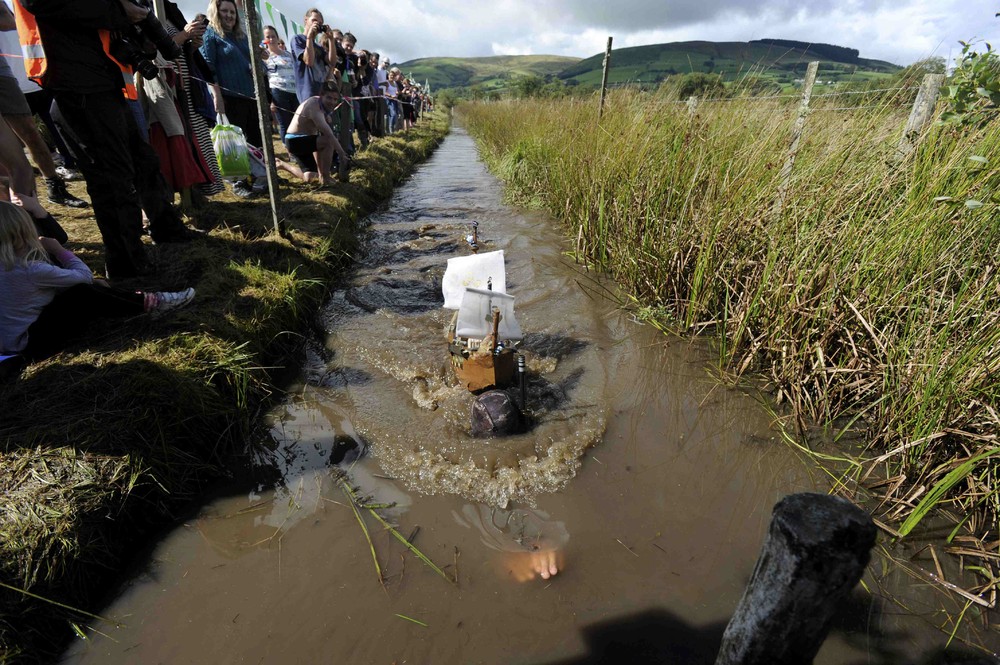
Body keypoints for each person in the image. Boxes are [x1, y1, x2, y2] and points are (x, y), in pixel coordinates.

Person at [15, 0, 196, 279]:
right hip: (77, 84)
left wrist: (139, 27)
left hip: (103, 79)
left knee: (143, 161)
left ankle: (165, 228)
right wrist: (121, 11)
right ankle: (127, 263)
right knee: (112, 180)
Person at [0, 202, 194, 359]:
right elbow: (85, 277)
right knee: (84, 293)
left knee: (91, 288)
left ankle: (131, 302)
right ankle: (153, 303)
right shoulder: (31, 269)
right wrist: (60, 251)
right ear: (23, 234)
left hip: (8, 343)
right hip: (29, 344)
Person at [0, 1, 86, 208]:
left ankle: (51, 191)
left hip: (8, 76)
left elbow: (9, 20)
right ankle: (14, 218)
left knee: (29, 135)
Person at [275, 82, 348, 185]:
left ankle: (282, 165)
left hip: (308, 141)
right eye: (329, 98)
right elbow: (329, 134)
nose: (332, 102)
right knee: (328, 141)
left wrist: (327, 115)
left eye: (335, 99)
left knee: (310, 178)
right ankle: (325, 177)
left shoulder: (320, 103)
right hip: (295, 141)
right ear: (321, 95)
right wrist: (341, 154)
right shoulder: (314, 107)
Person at [261, 24, 297, 142]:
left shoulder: (288, 55)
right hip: (278, 93)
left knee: (296, 122)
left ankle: (298, 148)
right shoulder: (264, 57)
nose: (271, 39)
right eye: (268, 37)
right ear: (264, 39)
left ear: (277, 37)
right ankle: (290, 151)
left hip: (294, 91)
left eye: (273, 36)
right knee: (285, 123)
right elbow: (263, 79)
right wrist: (271, 100)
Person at [290, 8, 330, 105]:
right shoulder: (297, 39)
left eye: (320, 23)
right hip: (307, 91)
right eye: (314, 20)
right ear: (306, 20)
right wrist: (309, 37)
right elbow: (309, 61)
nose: (317, 24)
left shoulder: (319, 47)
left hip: (321, 91)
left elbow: (332, 62)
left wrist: (331, 40)